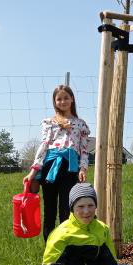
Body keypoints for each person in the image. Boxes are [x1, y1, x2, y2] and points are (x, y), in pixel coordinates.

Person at [37, 183, 133, 265]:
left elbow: (110, 262)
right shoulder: (61, 233)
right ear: (72, 208)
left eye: (90, 205)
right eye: (81, 206)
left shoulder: (102, 229)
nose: (86, 211)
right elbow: (51, 264)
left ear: (95, 206)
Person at [24, 85, 91, 240]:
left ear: (72, 99)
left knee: (66, 209)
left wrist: (83, 168)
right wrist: (34, 171)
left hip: (70, 168)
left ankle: (65, 246)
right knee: (49, 209)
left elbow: (84, 149)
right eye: (59, 99)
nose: (63, 101)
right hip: (50, 167)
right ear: (54, 102)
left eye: (66, 98)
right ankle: (49, 249)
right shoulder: (49, 122)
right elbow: (44, 145)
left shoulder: (80, 124)